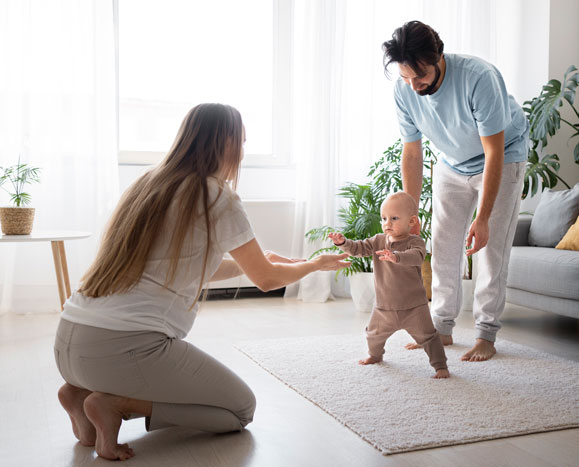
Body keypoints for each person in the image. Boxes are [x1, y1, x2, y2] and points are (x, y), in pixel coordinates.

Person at [54, 103, 350, 460]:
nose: (242, 151)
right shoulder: (216, 194)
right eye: (241, 141)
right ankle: (116, 403)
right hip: (122, 349)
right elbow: (268, 280)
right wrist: (314, 265)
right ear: (225, 142)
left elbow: (187, 266)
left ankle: (81, 396)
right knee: (239, 410)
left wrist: (250, 263)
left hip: (70, 343)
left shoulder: (149, 183)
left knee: (215, 399)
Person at [382, 21, 528, 362]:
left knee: (489, 251)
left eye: (420, 77)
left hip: (502, 158)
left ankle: (486, 335)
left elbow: (494, 152)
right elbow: (413, 152)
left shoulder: (479, 78)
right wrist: (409, 212)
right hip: (451, 162)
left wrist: (484, 217)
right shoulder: (405, 89)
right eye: (406, 78)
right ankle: (441, 329)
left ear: (438, 58)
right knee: (445, 247)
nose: (414, 86)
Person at [328, 191, 449, 379]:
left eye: (394, 218)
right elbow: (359, 248)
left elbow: (416, 257)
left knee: (429, 337)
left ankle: (440, 366)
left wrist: (396, 257)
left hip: (414, 307)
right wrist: (343, 243)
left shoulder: (415, 242)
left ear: (411, 221)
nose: (387, 223)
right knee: (373, 335)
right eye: (384, 218)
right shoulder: (378, 240)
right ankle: (375, 355)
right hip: (384, 306)